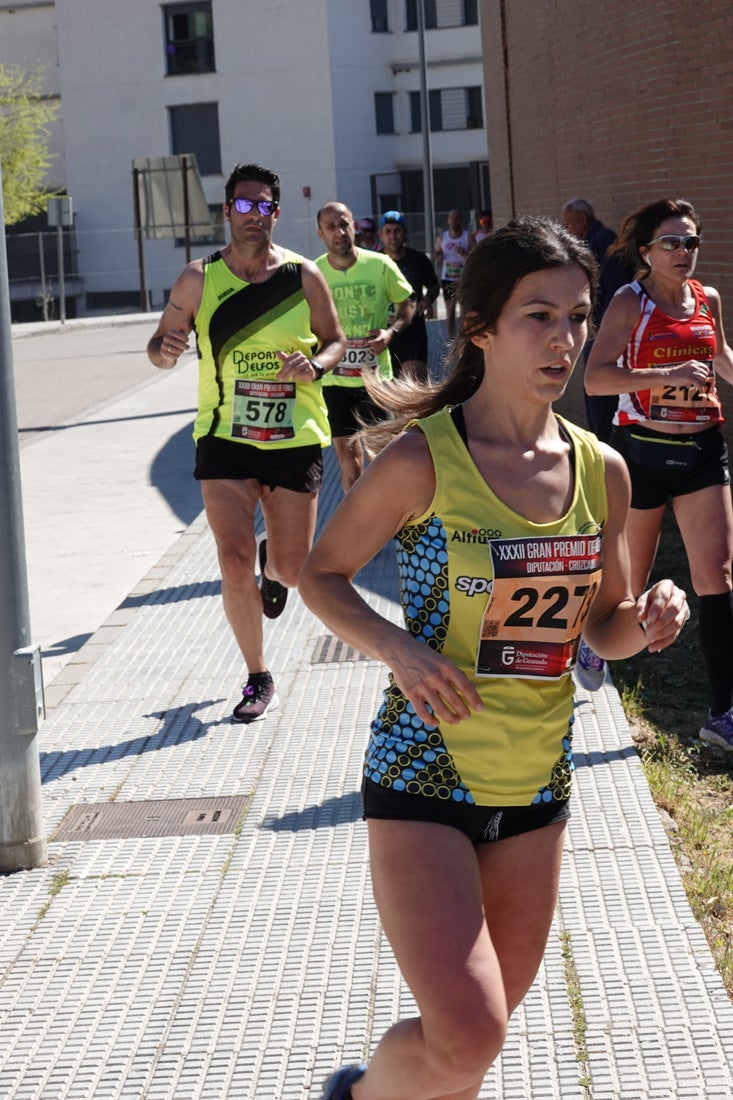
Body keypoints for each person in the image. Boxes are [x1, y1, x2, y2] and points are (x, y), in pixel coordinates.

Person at [299, 216, 690, 1099]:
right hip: (426, 771)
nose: (563, 339)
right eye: (537, 316)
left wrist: (650, 623)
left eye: (578, 317)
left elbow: (601, 628)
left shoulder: (600, 471)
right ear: (478, 329)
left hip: (536, 782)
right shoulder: (421, 461)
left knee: (468, 1049)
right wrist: (397, 648)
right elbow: (318, 574)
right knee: (468, 1031)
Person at [147, 163, 345, 724]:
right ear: (228, 210)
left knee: (289, 568)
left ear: (276, 214)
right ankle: (258, 675)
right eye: (243, 204)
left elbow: (335, 341)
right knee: (232, 563)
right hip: (223, 436)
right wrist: (164, 349)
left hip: (292, 438)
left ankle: (272, 565)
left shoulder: (305, 275)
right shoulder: (198, 279)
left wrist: (316, 365)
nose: (253, 214)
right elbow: (160, 345)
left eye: (264, 206)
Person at [584, 197, 733, 748]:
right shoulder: (631, 301)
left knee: (716, 577)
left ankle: (724, 713)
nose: (684, 252)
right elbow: (597, 378)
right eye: (671, 242)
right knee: (629, 585)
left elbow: (718, 356)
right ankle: (593, 642)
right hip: (642, 455)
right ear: (646, 252)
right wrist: (664, 372)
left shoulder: (706, 298)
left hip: (701, 452)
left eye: (691, 241)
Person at [315, 201, 414, 492]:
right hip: (334, 380)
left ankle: (390, 520)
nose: (340, 232)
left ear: (354, 226)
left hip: (373, 377)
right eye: (331, 227)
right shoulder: (314, 273)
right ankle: (356, 526)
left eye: (344, 224)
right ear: (320, 233)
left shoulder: (380, 265)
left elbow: (407, 303)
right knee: (348, 460)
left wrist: (391, 331)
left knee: (382, 455)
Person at [561, 198, 632, 444]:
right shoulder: (588, 241)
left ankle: (606, 445)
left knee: (602, 396)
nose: (566, 228)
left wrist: (603, 325)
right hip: (594, 328)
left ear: (582, 219)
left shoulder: (604, 240)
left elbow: (618, 289)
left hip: (606, 331)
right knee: (593, 392)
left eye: (568, 223)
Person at [378, 210, 440, 384]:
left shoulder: (419, 260)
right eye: (388, 231)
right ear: (380, 235)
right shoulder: (374, 263)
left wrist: (428, 300)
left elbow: (434, 285)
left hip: (413, 330)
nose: (393, 236)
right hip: (383, 331)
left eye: (397, 231)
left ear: (405, 233)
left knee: (414, 382)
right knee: (389, 389)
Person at [435, 208, 471, 338]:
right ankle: (452, 340)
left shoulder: (467, 237)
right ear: (448, 220)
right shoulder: (442, 237)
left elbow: (475, 256)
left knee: (463, 312)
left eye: (457, 218)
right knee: (450, 311)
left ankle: (463, 339)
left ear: (461, 220)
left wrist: (464, 253)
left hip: (463, 278)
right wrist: (438, 257)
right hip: (447, 278)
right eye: (452, 218)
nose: (454, 221)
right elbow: (437, 252)